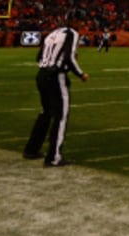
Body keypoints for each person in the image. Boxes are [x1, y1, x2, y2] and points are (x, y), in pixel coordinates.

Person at [23, 18, 89, 167]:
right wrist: (80, 74)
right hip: (56, 76)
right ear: (76, 22)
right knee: (61, 116)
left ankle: (31, 149)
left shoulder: (53, 33)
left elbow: (39, 57)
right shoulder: (72, 33)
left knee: (45, 112)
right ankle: (54, 157)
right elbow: (69, 57)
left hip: (41, 74)